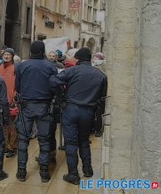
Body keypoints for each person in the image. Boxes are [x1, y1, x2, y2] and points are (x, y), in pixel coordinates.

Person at [50, 48, 107, 185]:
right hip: (88, 112)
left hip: (71, 109)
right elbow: (102, 96)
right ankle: (88, 170)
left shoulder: (72, 70)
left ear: (79, 59)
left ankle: (73, 174)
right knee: (84, 141)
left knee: (71, 143)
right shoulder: (101, 75)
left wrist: (61, 95)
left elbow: (53, 81)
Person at [15, 41, 57, 183]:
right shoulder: (51, 66)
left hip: (26, 106)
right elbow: (54, 87)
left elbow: (18, 87)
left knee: (23, 139)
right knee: (44, 140)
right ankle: (44, 172)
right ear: (43, 51)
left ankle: (21, 171)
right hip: (44, 106)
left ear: (31, 51)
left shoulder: (22, 66)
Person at [0, 48, 18, 158]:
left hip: (11, 101)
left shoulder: (15, 67)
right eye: (5, 54)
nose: (6, 56)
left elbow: (18, 84)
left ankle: (12, 148)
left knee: (11, 126)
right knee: (3, 125)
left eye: (9, 54)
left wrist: (14, 97)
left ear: (12, 56)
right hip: (0, 100)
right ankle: (6, 145)